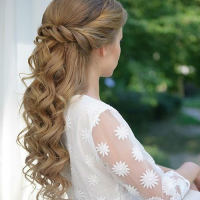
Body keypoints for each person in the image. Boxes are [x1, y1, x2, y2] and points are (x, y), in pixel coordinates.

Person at [16, 0, 200, 199]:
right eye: (119, 40)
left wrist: (174, 173)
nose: (119, 48)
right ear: (103, 47)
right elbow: (163, 194)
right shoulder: (98, 116)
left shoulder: (61, 107)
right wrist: (192, 167)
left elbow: (130, 170)